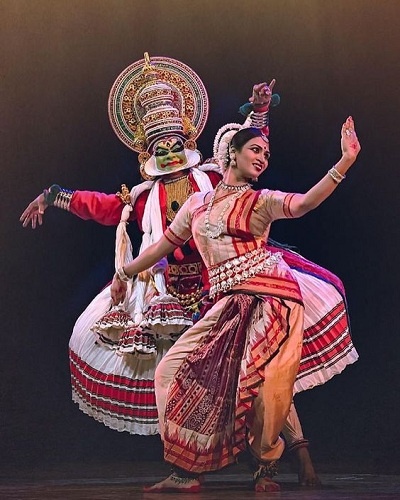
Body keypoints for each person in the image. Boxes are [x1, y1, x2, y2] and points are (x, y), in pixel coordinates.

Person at [110, 114, 361, 492]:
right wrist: (123, 274)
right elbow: (162, 247)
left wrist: (344, 162)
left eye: (267, 153)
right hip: (224, 305)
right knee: (168, 373)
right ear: (231, 154)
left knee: (267, 387)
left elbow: (305, 203)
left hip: (271, 299)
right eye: (255, 150)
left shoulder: (261, 202)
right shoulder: (197, 204)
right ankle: (185, 470)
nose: (263, 158)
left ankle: (266, 467)